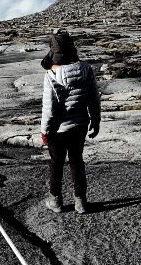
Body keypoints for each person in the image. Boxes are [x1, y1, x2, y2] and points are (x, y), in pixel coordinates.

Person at [40, 30, 100, 215]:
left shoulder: (50, 75)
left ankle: (55, 200)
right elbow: (93, 98)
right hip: (80, 125)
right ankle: (80, 201)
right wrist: (95, 120)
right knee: (76, 161)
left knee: (56, 163)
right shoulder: (86, 69)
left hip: (57, 130)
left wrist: (44, 131)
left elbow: (49, 109)